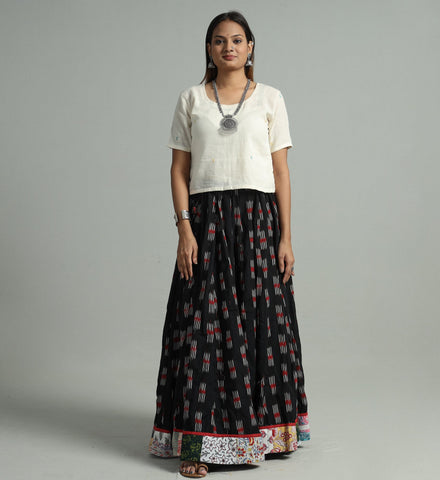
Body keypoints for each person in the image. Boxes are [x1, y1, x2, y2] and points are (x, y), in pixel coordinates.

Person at [148, 10, 310, 478]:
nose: (229, 48)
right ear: (209, 48)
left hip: (258, 222)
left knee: (263, 324)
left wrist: (286, 237)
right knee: (203, 328)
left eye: (237, 40)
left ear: (251, 46)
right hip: (206, 221)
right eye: (219, 41)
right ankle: (198, 444)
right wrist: (184, 230)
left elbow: (281, 173)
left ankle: (266, 432)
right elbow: (179, 170)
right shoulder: (191, 99)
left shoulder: (271, 99)